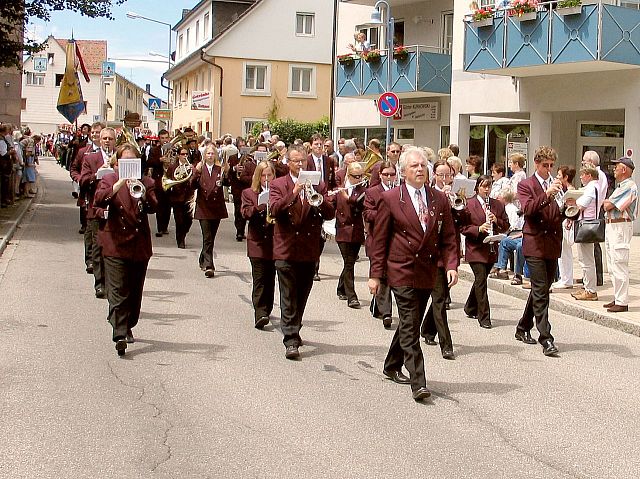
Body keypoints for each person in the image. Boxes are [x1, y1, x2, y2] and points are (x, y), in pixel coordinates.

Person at [368, 148, 459, 401]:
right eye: (414, 166)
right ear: (403, 172)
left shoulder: (438, 199)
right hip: (401, 269)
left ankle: (391, 364)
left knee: (412, 321)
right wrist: (376, 275)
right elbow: (379, 240)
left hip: (427, 270)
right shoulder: (390, 198)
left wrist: (451, 264)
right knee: (410, 324)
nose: (419, 169)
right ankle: (418, 381)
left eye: (422, 166)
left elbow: (448, 236)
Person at [269, 145, 335, 360]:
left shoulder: (319, 184)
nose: (300, 165)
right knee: (288, 295)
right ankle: (290, 338)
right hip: (285, 248)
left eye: (303, 162)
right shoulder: (279, 184)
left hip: (308, 249)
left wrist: (320, 199)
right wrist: (294, 192)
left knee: (302, 294)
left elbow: (330, 213)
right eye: (296, 161)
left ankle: (294, 326)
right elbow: (274, 210)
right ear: (288, 162)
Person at [94, 143, 158, 356]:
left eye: (133, 162)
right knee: (118, 289)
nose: (129, 166)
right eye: (125, 162)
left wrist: (142, 189)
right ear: (117, 163)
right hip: (115, 242)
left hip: (138, 244)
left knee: (134, 290)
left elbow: (154, 207)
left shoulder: (146, 182)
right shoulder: (109, 179)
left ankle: (128, 323)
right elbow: (99, 199)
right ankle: (119, 333)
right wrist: (120, 182)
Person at [515, 146, 565, 356]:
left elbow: (557, 215)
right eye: (545, 165)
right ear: (537, 164)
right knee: (542, 290)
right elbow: (528, 209)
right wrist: (547, 194)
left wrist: (569, 209)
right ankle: (546, 338)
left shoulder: (556, 186)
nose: (549, 169)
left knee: (541, 288)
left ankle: (523, 327)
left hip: (552, 243)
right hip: (534, 243)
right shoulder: (526, 184)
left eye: (552, 166)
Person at [420, 160, 467, 358]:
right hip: (428, 254)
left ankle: (428, 330)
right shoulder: (427, 195)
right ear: (434, 176)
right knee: (437, 299)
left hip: (446, 252)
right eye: (441, 175)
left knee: (440, 298)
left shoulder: (457, 195)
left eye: (449, 175)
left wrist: (455, 205)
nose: (446, 179)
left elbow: (464, 221)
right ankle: (446, 343)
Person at [461, 175, 509, 329]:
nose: (487, 190)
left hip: (491, 248)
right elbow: (462, 227)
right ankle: (484, 317)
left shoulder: (497, 205)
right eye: (484, 186)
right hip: (475, 249)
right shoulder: (469, 204)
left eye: (489, 186)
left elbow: (506, 224)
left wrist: (496, 221)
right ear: (477, 188)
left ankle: (470, 306)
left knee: (479, 281)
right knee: (481, 280)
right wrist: (478, 229)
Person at [80, 127, 117, 299]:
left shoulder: (121, 157)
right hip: (96, 207)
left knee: (113, 247)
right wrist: (97, 174)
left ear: (115, 141)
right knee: (97, 245)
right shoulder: (91, 158)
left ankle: (112, 284)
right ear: (99, 140)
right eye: (105, 138)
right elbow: (83, 180)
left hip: (116, 207)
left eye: (110, 138)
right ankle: (100, 284)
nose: (107, 141)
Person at [241, 161, 277, 329]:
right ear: (258, 177)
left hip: (274, 241)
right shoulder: (249, 193)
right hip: (257, 241)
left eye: (270, 175)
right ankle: (260, 312)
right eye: (264, 176)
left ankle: (267, 309)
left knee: (271, 278)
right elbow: (246, 213)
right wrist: (261, 207)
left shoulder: (278, 193)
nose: (267, 179)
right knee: (260, 278)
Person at [363, 160, 397, 328]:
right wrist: (386, 215)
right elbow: (368, 213)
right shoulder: (372, 192)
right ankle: (387, 313)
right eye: (386, 174)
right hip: (377, 238)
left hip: (396, 241)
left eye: (392, 174)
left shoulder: (401, 191)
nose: (389, 177)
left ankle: (377, 306)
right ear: (380, 175)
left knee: (389, 276)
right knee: (381, 276)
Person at [602, 157, 637, 313]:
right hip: (612, 225)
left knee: (619, 262)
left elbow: (609, 205)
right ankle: (617, 297)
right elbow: (606, 205)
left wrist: (608, 203)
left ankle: (622, 301)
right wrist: (607, 203)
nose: (614, 169)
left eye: (617, 167)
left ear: (624, 170)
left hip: (620, 226)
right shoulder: (621, 186)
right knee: (612, 263)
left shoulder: (629, 186)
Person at [191, 144, 228, 277]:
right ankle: (209, 265)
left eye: (213, 154)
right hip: (203, 207)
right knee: (207, 237)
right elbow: (192, 185)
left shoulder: (219, 169)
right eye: (208, 154)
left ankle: (203, 258)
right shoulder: (200, 169)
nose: (211, 156)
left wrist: (228, 172)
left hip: (216, 207)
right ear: (204, 156)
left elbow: (226, 183)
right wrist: (196, 172)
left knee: (211, 236)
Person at [334, 162, 367, 309]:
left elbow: (361, 205)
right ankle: (352, 296)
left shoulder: (363, 190)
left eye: (361, 176)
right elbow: (331, 206)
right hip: (343, 230)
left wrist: (348, 197)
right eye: (355, 176)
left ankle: (341, 287)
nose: (359, 179)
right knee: (348, 262)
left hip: (357, 231)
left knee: (350, 262)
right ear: (348, 174)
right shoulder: (339, 189)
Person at [306, 134, 337, 281]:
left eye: (321, 144)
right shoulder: (307, 160)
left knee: (321, 235)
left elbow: (330, 179)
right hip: (310, 198)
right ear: (311, 146)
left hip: (324, 198)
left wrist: (331, 193)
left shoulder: (328, 160)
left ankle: (315, 265)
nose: (319, 147)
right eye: (316, 144)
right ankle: (312, 267)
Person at [571, 166, 600, 301]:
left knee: (587, 260)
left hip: (586, 226)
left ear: (589, 175)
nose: (581, 177)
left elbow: (581, 205)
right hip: (586, 224)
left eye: (583, 175)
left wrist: (572, 203)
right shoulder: (594, 187)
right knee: (585, 259)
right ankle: (587, 287)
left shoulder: (591, 188)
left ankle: (590, 290)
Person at [582, 150, 607, 286]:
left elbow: (599, 195)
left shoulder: (599, 176)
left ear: (590, 162)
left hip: (596, 211)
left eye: (584, 161)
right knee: (591, 247)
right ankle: (589, 276)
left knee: (594, 246)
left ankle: (597, 277)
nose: (583, 164)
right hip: (596, 210)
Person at [490, 189, 526, 285]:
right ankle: (501, 268)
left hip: (523, 236)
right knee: (505, 241)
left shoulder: (512, 209)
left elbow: (513, 226)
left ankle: (518, 274)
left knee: (519, 246)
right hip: (519, 234)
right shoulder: (518, 209)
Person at [552, 165, 577, 290]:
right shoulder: (563, 189)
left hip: (566, 222)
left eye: (559, 176)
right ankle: (564, 277)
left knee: (565, 252)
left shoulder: (570, 191)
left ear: (566, 177)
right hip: (562, 222)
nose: (557, 178)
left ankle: (567, 279)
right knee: (562, 252)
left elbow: (568, 207)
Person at [166, 146, 196, 249]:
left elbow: (194, 181)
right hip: (176, 197)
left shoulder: (190, 167)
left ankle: (183, 233)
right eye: (182, 154)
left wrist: (193, 172)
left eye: (186, 154)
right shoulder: (172, 167)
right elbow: (168, 179)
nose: (185, 156)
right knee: (179, 221)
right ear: (178, 155)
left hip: (188, 197)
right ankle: (180, 240)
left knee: (189, 220)